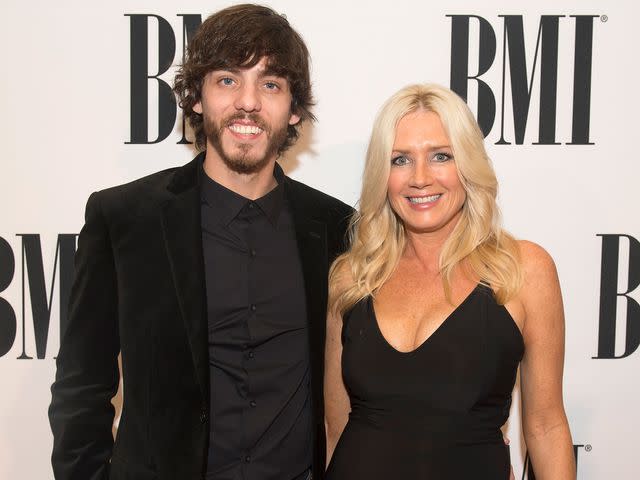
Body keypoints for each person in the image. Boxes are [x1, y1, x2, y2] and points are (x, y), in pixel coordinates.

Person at [48, 5, 352, 480]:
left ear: (294, 108)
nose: (247, 102)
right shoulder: (125, 219)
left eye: (270, 84)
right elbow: (81, 385)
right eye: (227, 80)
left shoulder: (335, 228)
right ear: (196, 98)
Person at [324, 84, 576, 479]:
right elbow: (336, 428)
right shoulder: (352, 276)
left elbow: (546, 426)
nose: (420, 178)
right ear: (381, 174)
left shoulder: (524, 270)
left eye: (441, 156)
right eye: (400, 159)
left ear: (468, 165)